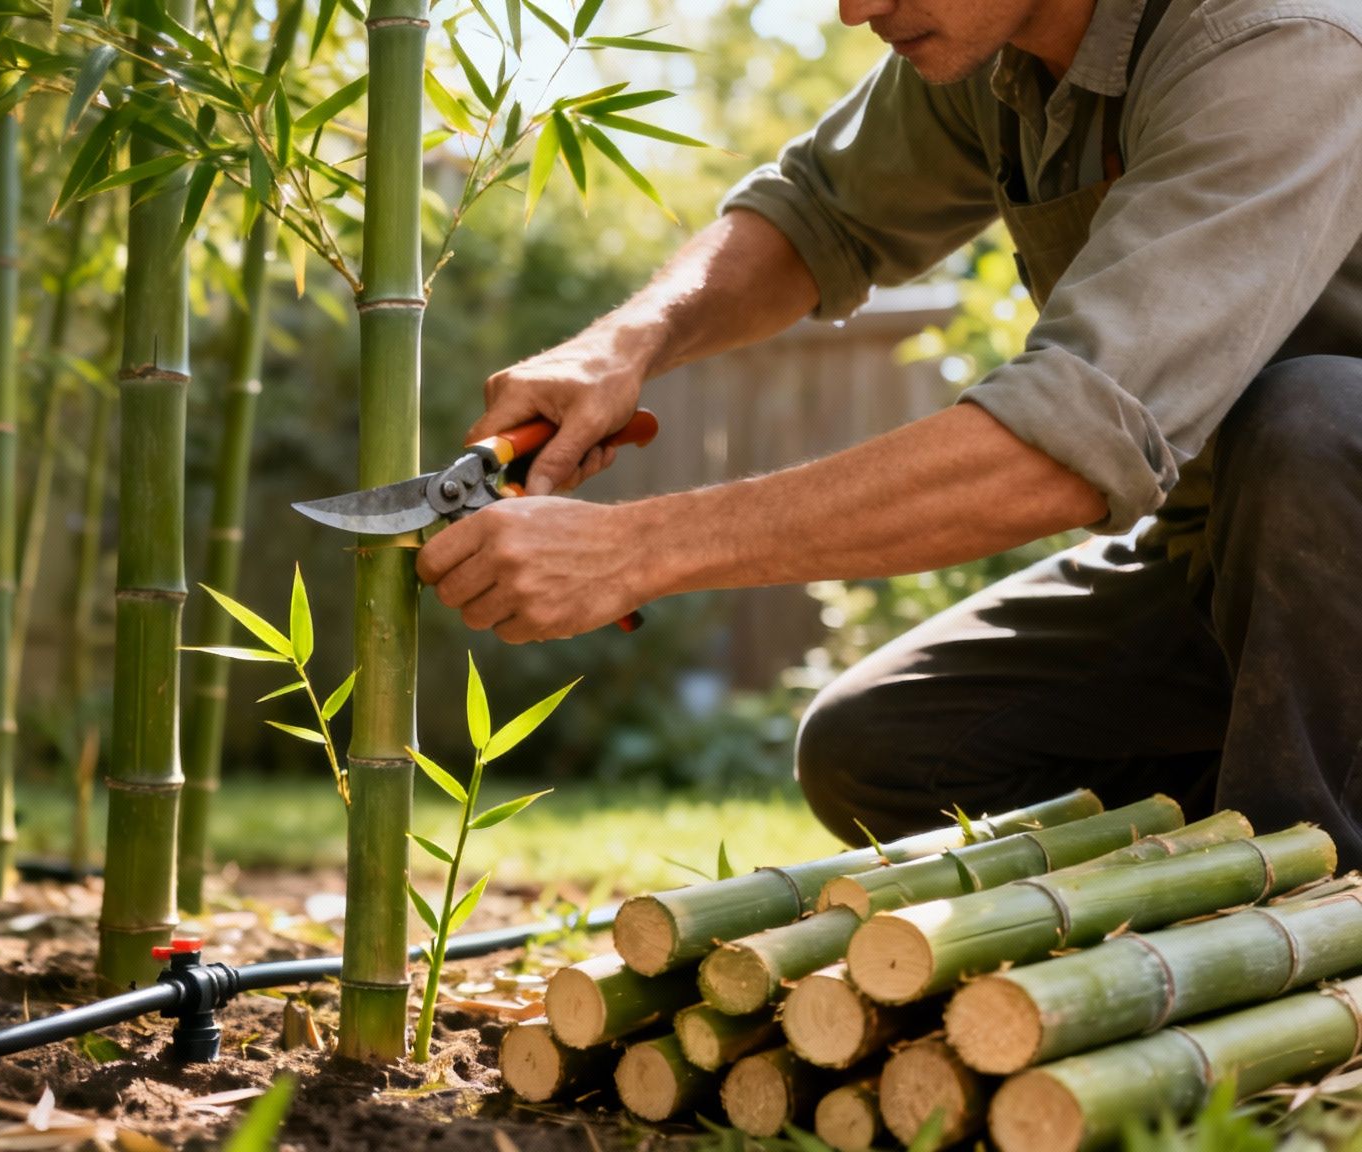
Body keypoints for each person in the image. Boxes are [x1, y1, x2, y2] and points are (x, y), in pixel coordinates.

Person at [414, 0, 1362, 863]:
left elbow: (1064, 445)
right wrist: (623, 344)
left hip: (1334, 539)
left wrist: (634, 548)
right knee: (882, 751)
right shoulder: (1002, 48)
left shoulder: (1280, 46)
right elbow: (819, 210)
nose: (853, 9)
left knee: (1314, 419)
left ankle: (1308, 918)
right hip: (1226, 570)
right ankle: (1217, 853)